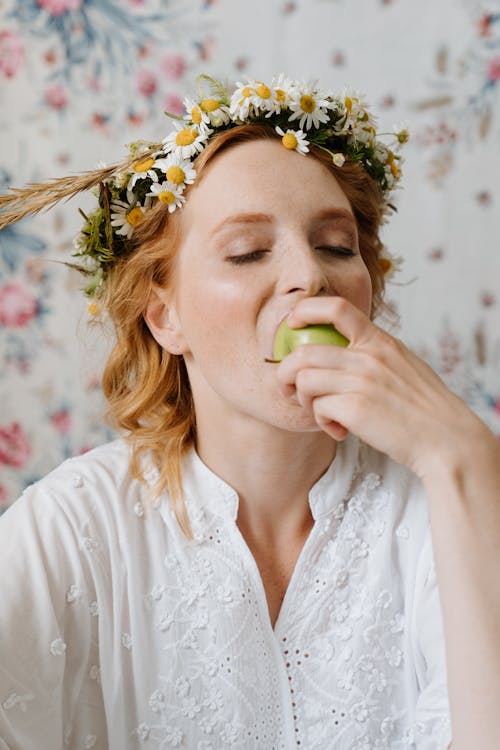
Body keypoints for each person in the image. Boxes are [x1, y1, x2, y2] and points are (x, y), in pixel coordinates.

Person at [0, 74, 499, 750]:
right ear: (164, 316)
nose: (309, 277)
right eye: (248, 251)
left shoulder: (446, 504)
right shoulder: (70, 528)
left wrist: (465, 458)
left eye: (335, 245)